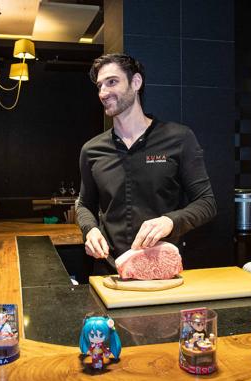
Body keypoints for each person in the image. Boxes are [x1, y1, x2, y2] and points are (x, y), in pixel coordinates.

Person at [76, 53, 217, 274]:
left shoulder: (179, 138)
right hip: (107, 271)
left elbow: (207, 203)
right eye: (99, 86)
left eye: (112, 82)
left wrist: (170, 221)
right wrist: (90, 230)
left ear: (136, 82)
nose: (103, 93)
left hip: (161, 271)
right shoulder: (91, 150)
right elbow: (85, 204)